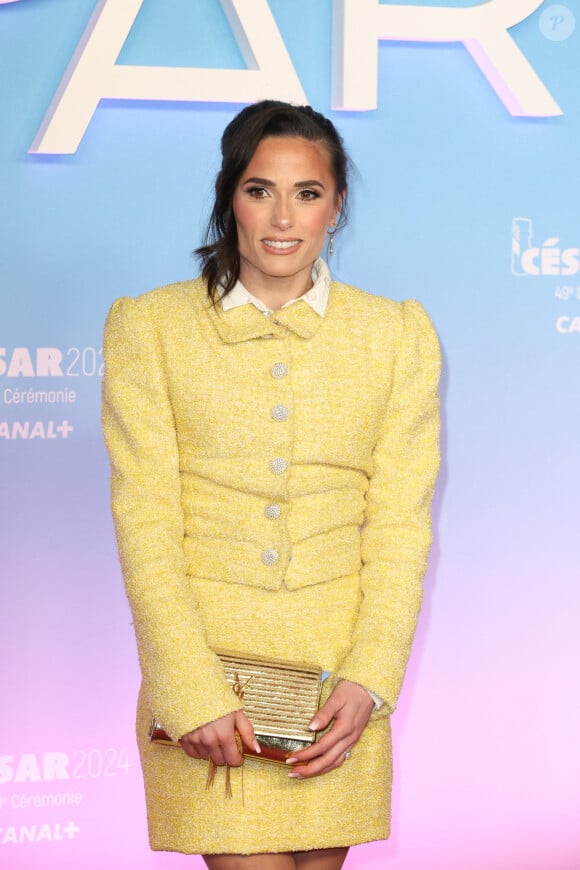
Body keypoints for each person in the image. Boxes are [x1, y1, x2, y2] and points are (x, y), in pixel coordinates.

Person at [102, 100, 440, 870]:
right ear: (230, 197)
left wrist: (371, 680)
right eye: (260, 190)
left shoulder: (397, 336)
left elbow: (399, 528)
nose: (282, 217)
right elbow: (144, 520)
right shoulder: (149, 327)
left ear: (337, 204)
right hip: (207, 685)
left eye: (308, 193)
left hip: (337, 694)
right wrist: (188, 689)